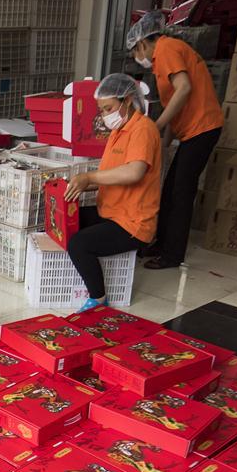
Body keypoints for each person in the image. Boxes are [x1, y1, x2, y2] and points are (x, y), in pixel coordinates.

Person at [127, 10, 223, 270]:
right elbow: (175, 105)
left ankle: (172, 254)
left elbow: (184, 88)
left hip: (202, 128)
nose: (139, 58)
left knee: (181, 192)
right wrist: (163, 140)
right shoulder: (162, 59)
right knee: (170, 190)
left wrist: (155, 126)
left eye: (137, 52)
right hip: (191, 130)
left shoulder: (166, 49)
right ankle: (161, 244)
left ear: (143, 43)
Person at [64, 73, 161, 312]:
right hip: (111, 210)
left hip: (132, 222)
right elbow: (112, 175)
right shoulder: (119, 131)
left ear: (127, 100)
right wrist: (80, 183)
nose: (104, 115)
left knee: (79, 244)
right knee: (67, 219)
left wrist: (90, 177)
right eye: (102, 110)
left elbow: (134, 172)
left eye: (108, 108)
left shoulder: (143, 130)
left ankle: (98, 299)